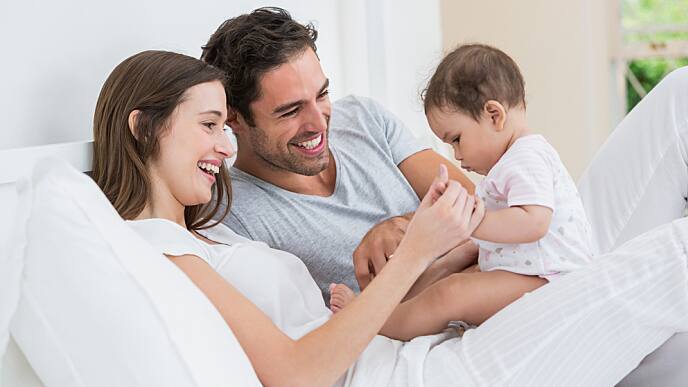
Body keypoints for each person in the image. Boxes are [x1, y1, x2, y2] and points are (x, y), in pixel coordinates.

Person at [91, 49, 688, 386]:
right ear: (143, 127)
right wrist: (411, 260)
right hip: (428, 364)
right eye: (209, 126)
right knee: (673, 261)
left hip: (505, 268)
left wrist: (431, 244)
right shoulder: (172, 248)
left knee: (678, 99)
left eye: (321, 96)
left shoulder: (198, 232)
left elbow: (473, 204)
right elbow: (298, 374)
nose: (221, 146)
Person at [200, 7, 477, 300]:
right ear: (234, 118)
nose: (319, 123)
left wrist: (402, 225)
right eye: (291, 111)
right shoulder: (233, 217)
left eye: (322, 95)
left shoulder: (363, 117)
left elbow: (473, 205)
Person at [328, 44, 596, 339]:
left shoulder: (526, 157)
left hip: (550, 281)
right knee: (454, 270)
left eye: (456, 139)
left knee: (451, 293)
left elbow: (534, 222)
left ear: (494, 115)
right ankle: (382, 307)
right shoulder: (513, 160)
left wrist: (471, 219)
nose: (455, 155)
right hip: (530, 272)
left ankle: (379, 325)